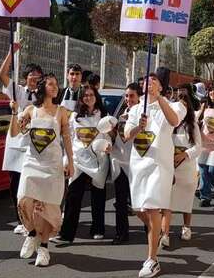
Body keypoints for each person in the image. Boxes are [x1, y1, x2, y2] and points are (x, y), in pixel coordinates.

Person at [125, 73, 186, 278]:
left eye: (153, 82)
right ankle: (158, 230)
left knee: (152, 208)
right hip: (138, 165)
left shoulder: (175, 105)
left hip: (160, 167)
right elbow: (126, 135)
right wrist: (138, 127)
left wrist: (158, 99)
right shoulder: (135, 109)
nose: (148, 84)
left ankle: (152, 260)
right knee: (139, 210)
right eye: (145, 82)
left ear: (161, 86)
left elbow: (174, 120)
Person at [11, 74, 75, 266]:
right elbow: (15, 133)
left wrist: (70, 162)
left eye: (56, 84)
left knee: (48, 208)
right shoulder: (31, 110)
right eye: (51, 84)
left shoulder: (62, 112)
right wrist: (15, 113)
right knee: (23, 199)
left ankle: (44, 248)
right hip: (32, 164)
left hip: (53, 166)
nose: (55, 87)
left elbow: (67, 139)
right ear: (42, 87)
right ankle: (31, 233)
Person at [0, 44, 43, 235]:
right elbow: (1, 74)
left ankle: (35, 217)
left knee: (32, 182)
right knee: (15, 182)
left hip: (35, 144)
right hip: (17, 141)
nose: (35, 78)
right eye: (33, 74)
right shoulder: (17, 91)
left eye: (39, 76)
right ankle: (20, 219)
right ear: (26, 77)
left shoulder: (43, 96)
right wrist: (11, 53)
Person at [59, 85, 110, 242]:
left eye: (91, 94)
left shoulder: (103, 115)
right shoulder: (74, 116)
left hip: (98, 161)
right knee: (73, 196)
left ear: (96, 97)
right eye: (85, 95)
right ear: (81, 98)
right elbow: (69, 138)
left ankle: (98, 229)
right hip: (78, 161)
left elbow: (107, 136)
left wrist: (107, 144)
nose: (88, 97)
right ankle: (66, 234)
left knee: (98, 196)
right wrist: (67, 160)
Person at [161, 83, 202, 248]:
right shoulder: (169, 125)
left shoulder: (193, 126)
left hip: (187, 167)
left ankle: (187, 226)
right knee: (168, 202)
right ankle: (165, 234)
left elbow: (198, 147)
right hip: (170, 168)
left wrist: (184, 155)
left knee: (186, 201)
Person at [109, 83, 142, 245]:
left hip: (137, 163)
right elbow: (117, 136)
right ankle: (121, 233)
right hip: (119, 161)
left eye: (132, 96)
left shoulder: (144, 116)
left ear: (139, 97)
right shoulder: (122, 114)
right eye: (126, 96)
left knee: (141, 201)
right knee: (120, 201)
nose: (128, 99)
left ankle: (151, 230)